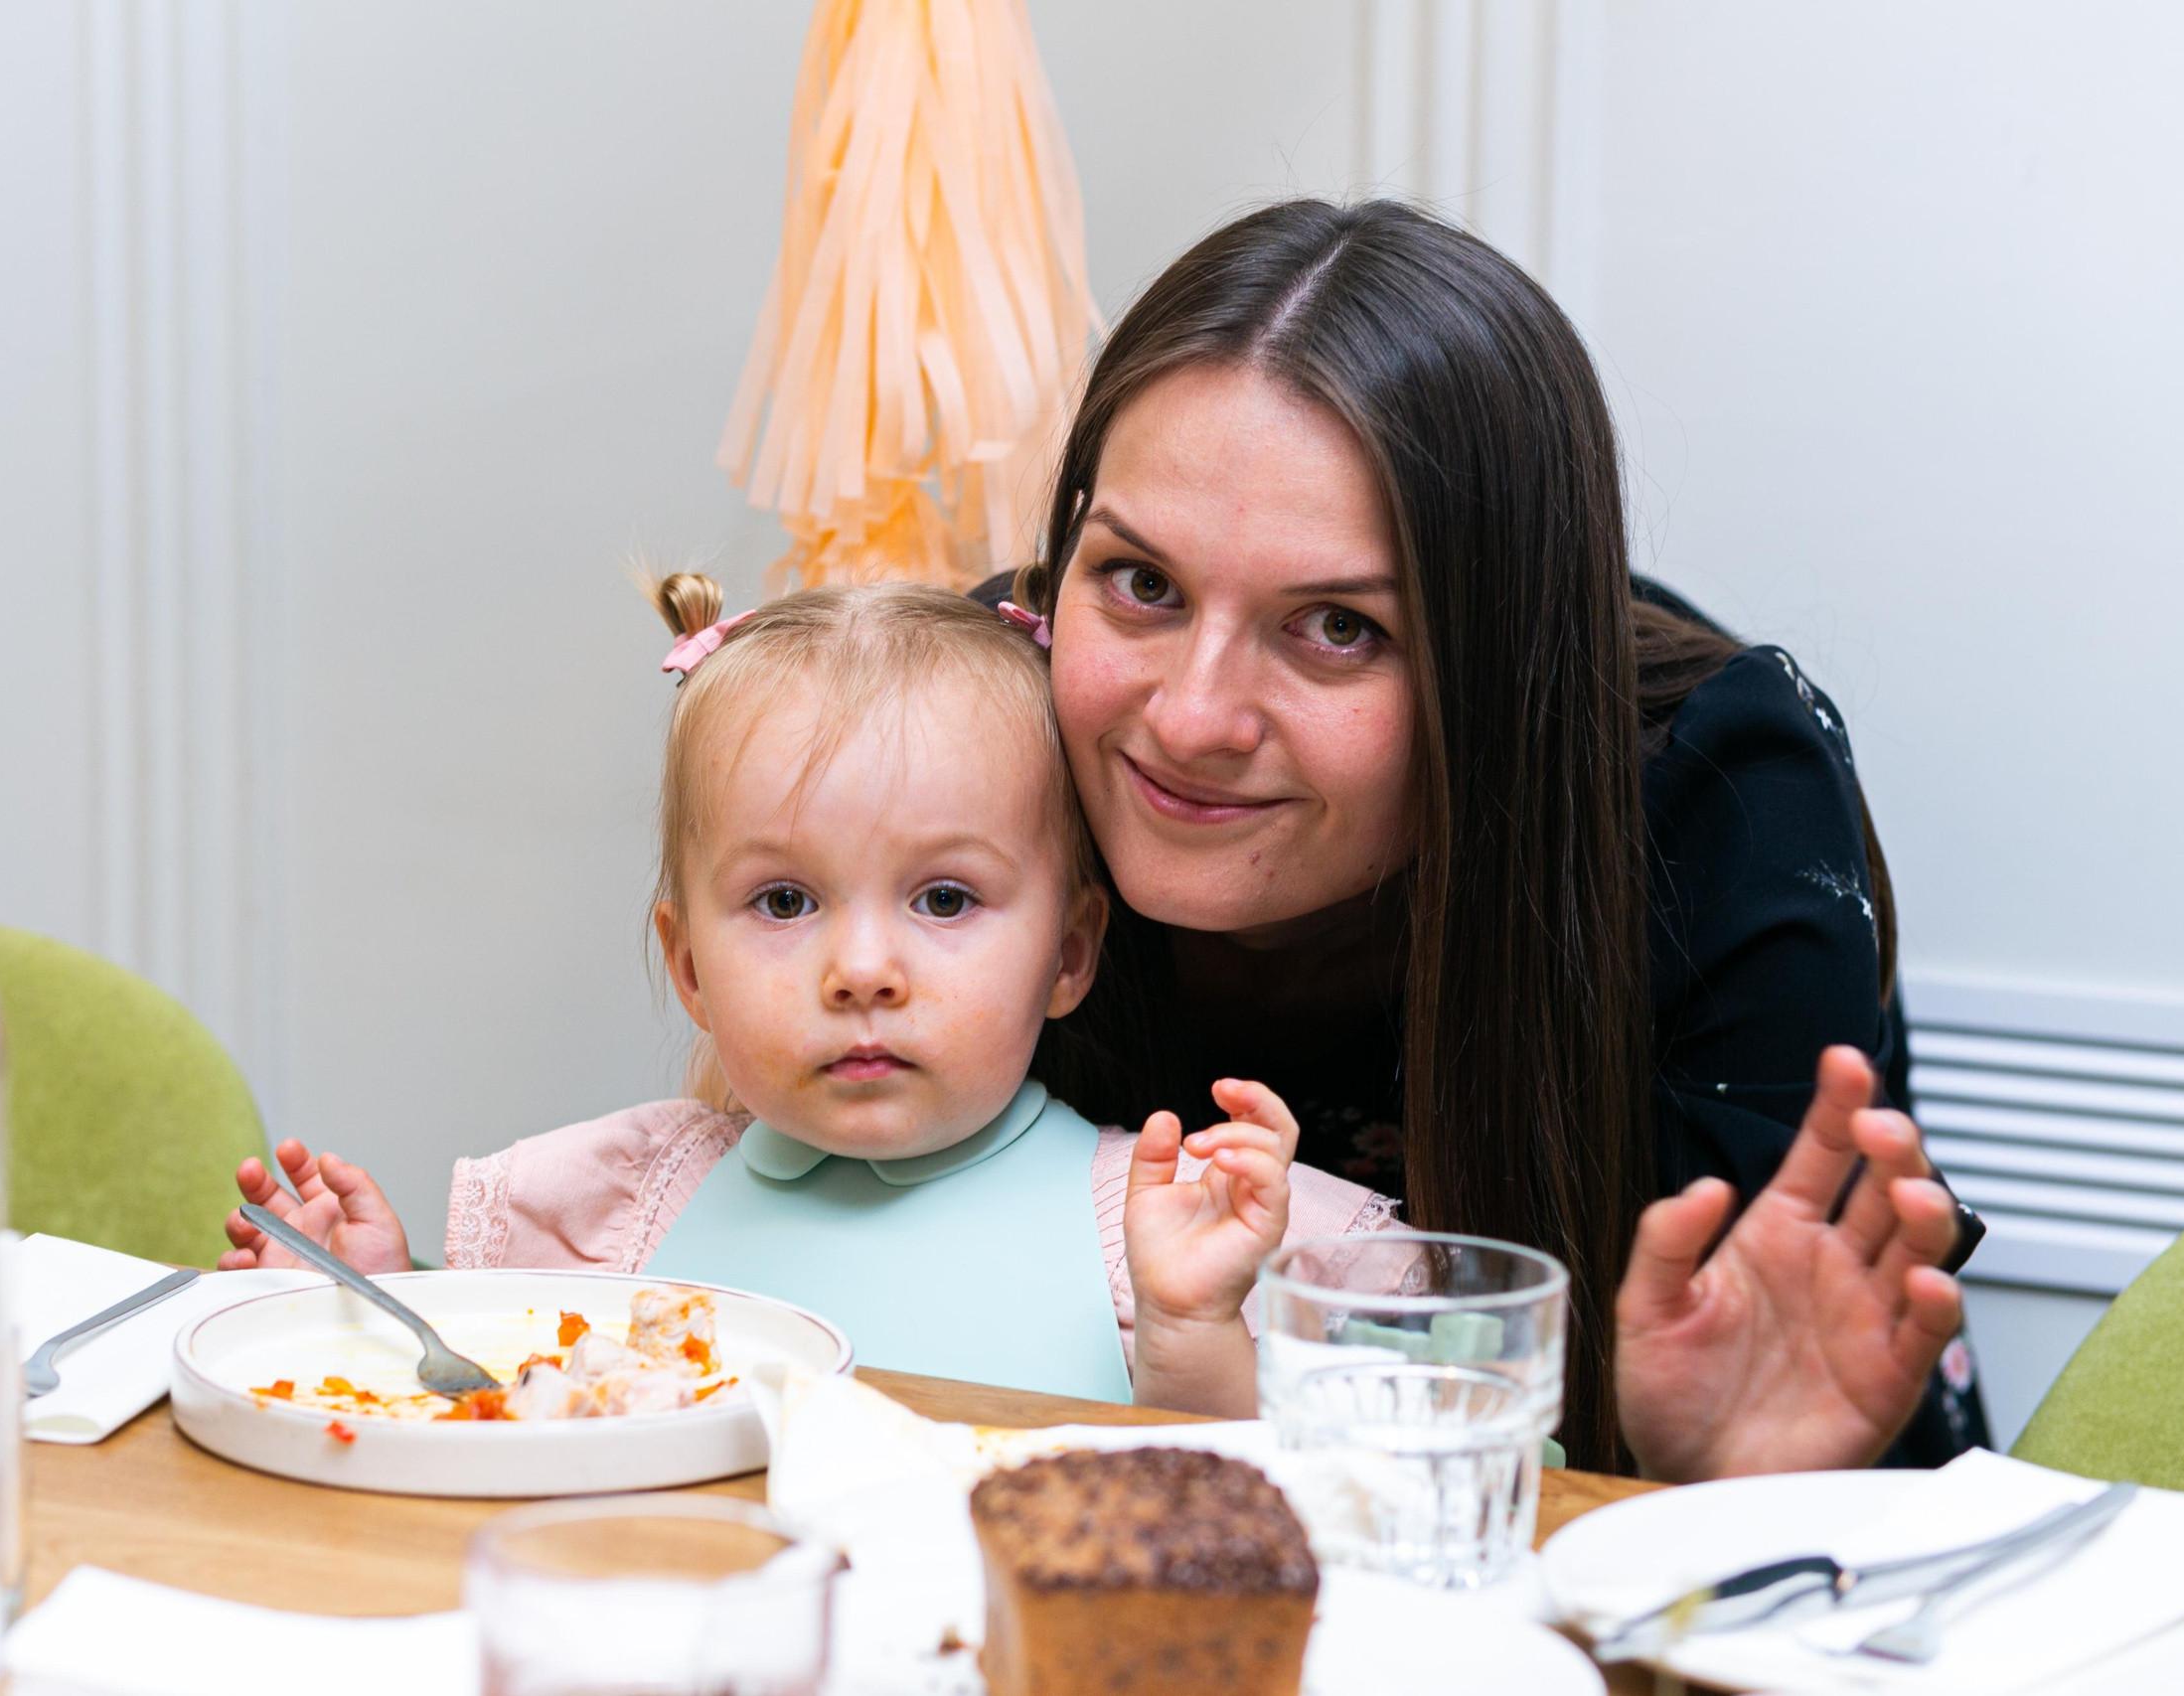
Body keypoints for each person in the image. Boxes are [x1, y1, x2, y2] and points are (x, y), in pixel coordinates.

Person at [977, 196, 1984, 1478]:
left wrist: (1699, 1472)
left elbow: (1766, 1446)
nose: (1190, 718)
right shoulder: (981, 720)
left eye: (1337, 627)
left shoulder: (1716, 798)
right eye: (1142, 582)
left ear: (1504, 666)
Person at [221, 576, 1392, 1411]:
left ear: (1069, 956)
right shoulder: (622, 1213)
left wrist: (1191, 1326)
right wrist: (369, 1310)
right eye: (784, 902)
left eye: (944, 899)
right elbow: (501, 1421)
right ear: (689, 967)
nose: (861, 970)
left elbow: (1234, 1512)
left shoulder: (1156, 1230)